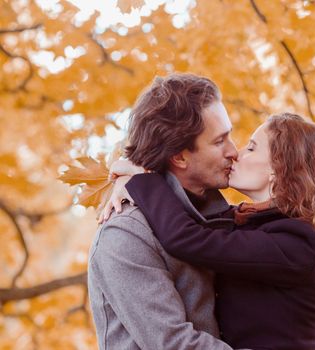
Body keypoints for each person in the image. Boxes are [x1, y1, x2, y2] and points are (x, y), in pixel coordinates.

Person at [105, 113, 315, 350]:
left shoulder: (299, 243)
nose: (237, 153)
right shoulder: (260, 224)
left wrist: (143, 179)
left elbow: (188, 238)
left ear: (278, 170)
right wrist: (131, 182)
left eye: (252, 148)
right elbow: (195, 220)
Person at [88, 73, 238, 349]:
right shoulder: (126, 235)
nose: (234, 151)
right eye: (219, 142)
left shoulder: (214, 216)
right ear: (179, 156)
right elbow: (173, 344)